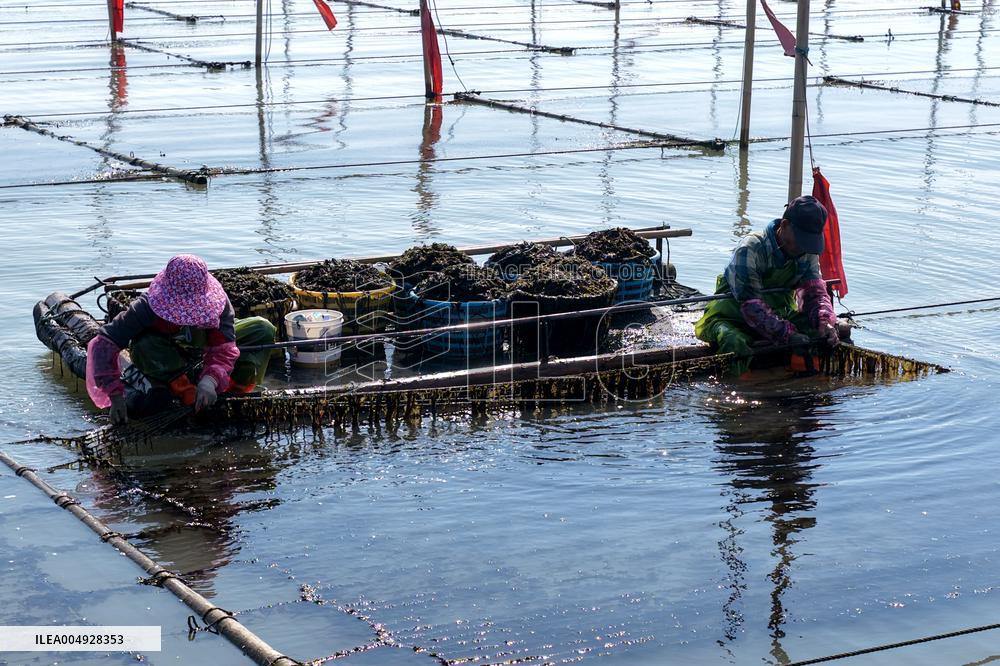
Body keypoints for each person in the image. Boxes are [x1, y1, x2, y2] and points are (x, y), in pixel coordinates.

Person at [86, 254, 277, 424]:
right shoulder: (145, 307)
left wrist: (211, 379)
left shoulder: (219, 304)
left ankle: (233, 388)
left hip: (203, 347)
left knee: (261, 328)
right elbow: (105, 343)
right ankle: (185, 389)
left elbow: (224, 348)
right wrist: (116, 395)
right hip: (167, 353)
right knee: (145, 345)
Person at [694, 195, 842, 377]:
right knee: (733, 341)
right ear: (785, 225)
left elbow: (815, 294)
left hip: (780, 314)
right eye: (802, 240)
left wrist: (825, 322)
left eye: (809, 242)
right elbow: (752, 306)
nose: (804, 248)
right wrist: (787, 335)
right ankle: (737, 390)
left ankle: (807, 378)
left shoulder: (807, 252)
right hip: (731, 317)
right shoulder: (750, 249)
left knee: (822, 334)